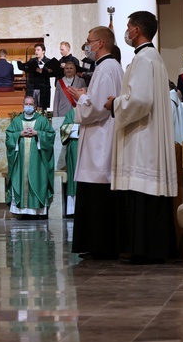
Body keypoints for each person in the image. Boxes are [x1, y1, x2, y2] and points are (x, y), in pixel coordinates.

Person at [105, 11, 178, 264]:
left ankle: (143, 249)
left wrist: (115, 103)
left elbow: (140, 100)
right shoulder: (152, 58)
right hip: (147, 133)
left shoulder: (144, 59)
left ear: (137, 30)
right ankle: (152, 248)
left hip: (142, 137)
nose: (126, 32)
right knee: (146, 194)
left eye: (128, 27)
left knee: (141, 191)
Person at [68, 26, 124, 259]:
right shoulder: (112, 67)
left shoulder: (105, 68)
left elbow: (98, 108)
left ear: (100, 43)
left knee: (97, 193)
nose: (87, 45)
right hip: (102, 136)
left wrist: (81, 98)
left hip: (100, 140)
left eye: (89, 41)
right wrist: (86, 96)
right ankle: (100, 245)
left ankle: (100, 246)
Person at [5, 96, 55, 217]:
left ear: (35, 107)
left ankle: (37, 211)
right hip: (20, 162)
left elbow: (51, 136)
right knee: (21, 180)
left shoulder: (42, 121)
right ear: (22, 106)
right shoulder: (17, 121)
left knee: (37, 180)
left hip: (37, 161)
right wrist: (19, 134)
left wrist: (38, 133)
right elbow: (8, 138)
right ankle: (22, 212)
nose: (28, 106)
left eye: (31, 104)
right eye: (26, 104)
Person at [59, 108, 78, 216]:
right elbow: (64, 128)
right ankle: (73, 209)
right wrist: (80, 128)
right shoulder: (72, 112)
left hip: (91, 146)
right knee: (74, 173)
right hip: (75, 146)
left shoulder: (94, 109)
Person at [24, 44, 52, 110]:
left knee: (43, 108)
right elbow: (27, 69)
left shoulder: (48, 62)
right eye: (35, 50)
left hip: (44, 87)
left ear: (43, 51)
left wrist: (44, 71)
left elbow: (51, 73)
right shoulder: (32, 61)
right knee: (32, 106)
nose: (36, 52)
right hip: (33, 87)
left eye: (38, 50)